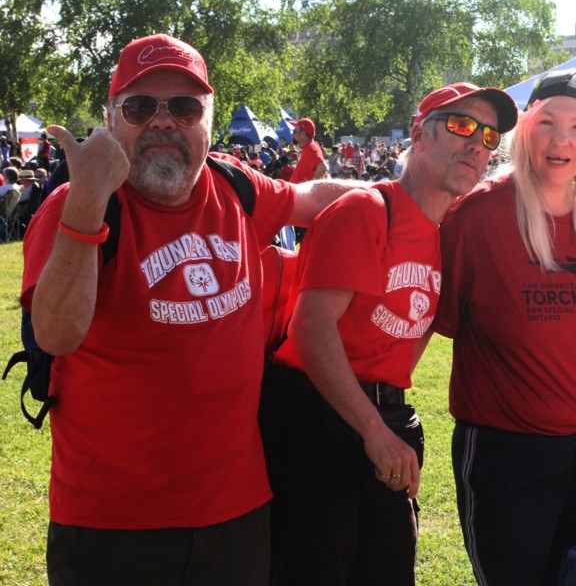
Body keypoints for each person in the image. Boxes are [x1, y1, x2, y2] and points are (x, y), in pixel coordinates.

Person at [22, 33, 360, 585]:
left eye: (183, 106)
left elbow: (315, 199)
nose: (162, 121)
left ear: (208, 118)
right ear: (111, 120)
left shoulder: (234, 186)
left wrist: (404, 197)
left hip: (237, 512)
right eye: (139, 106)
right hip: (112, 525)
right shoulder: (77, 202)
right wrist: (87, 200)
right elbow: (57, 334)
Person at [260, 81, 518, 586]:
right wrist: (373, 430)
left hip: (382, 410)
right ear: (420, 135)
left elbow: (413, 338)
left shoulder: (447, 233)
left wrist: (387, 418)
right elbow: (311, 330)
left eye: (489, 138)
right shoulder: (368, 211)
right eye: (463, 126)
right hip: (313, 412)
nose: (476, 144)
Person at [428, 68, 576, 586]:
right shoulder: (475, 219)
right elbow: (429, 323)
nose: (562, 140)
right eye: (548, 122)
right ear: (526, 128)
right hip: (508, 457)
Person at [289, 118, 327, 182]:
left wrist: (310, 184)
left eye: (294, 131)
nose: (293, 134)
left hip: (302, 191)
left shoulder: (310, 149)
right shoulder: (308, 147)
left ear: (303, 134)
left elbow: (323, 167)